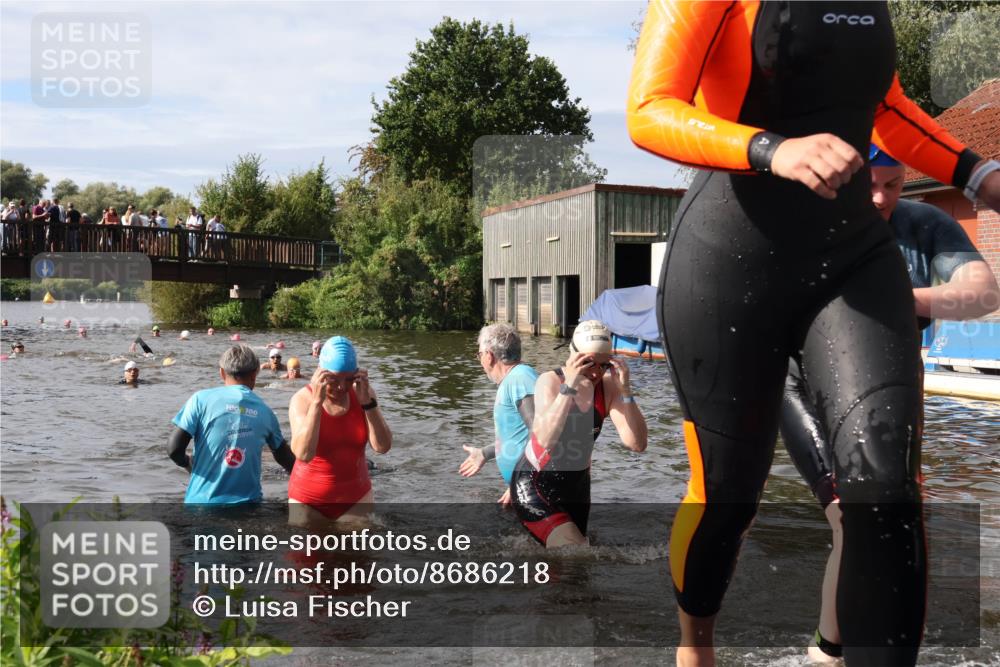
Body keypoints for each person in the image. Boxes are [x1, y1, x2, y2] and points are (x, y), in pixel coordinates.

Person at [626, 3, 1000, 665]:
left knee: (885, 492)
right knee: (727, 496)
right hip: (727, 259)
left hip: (852, 258)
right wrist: (771, 148)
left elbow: (888, 106)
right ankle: (695, 649)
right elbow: (650, 108)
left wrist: (975, 172)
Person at [782, 145, 1000, 663]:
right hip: (804, 388)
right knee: (849, 520)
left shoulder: (922, 223)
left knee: (891, 524)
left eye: (894, 184)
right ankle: (827, 654)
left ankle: (841, 646)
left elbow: (985, 292)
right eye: (869, 184)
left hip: (888, 397)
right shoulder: (806, 222)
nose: (880, 198)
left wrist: (903, 297)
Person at [511, 320, 647, 547]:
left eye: (604, 365)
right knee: (574, 554)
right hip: (535, 484)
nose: (595, 373)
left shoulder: (608, 387)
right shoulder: (550, 382)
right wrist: (570, 385)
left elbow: (637, 444)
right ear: (573, 357)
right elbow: (544, 440)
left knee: (577, 572)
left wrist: (625, 390)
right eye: (588, 363)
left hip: (578, 490)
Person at [168, 345, 295, 504]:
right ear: (255, 374)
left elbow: (173, 449)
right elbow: (287, 459)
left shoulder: (200, 400)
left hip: (201, 503)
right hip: (248, 506)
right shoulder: (265, 412)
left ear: (222, 372)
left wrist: (188, 464)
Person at [287, 336, 392, 526]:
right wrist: (317, 403)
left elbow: (382, 447)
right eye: (333, 380)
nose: (341, 387)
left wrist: (369, 405)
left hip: (355, 500)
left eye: (349, 379)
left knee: (355, 553)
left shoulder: (363, 394)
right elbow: (303, 453)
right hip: (308, 501)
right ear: (320, 373)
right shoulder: (301, 399)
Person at [459, 324, 539, 505]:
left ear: (489, 355)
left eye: (479, 355)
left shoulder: (520, 379)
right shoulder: (514, 379)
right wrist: (484, 453)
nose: (480, 362)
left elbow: (540, 434)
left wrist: (523, 481)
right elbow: (516, 436)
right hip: (528, 485)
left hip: (533, 486)